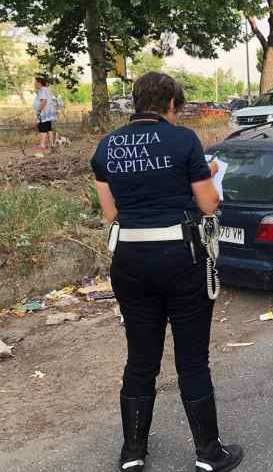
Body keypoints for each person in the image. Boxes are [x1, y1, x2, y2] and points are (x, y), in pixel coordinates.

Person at [91, 72, 243, 472]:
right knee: (192, 361)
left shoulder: (106, 146)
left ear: (136, 103)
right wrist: (207, 177)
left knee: (140, 359)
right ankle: (209, 454)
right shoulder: (183, 140)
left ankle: (132, 453)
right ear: (172, 105)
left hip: (130, 262)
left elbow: (111, 214)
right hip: (181, 258)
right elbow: (208, 205)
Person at [32, 75, 58, 150]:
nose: (34, 84)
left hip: (44, 112)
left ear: (39, 83)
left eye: (35, 82)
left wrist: (39, 111)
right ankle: (52, 144)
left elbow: (43, 101)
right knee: (48, 128)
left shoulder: (42, 90)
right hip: (49, 113)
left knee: (42, 128)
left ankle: (42, 145)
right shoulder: (46, 89)